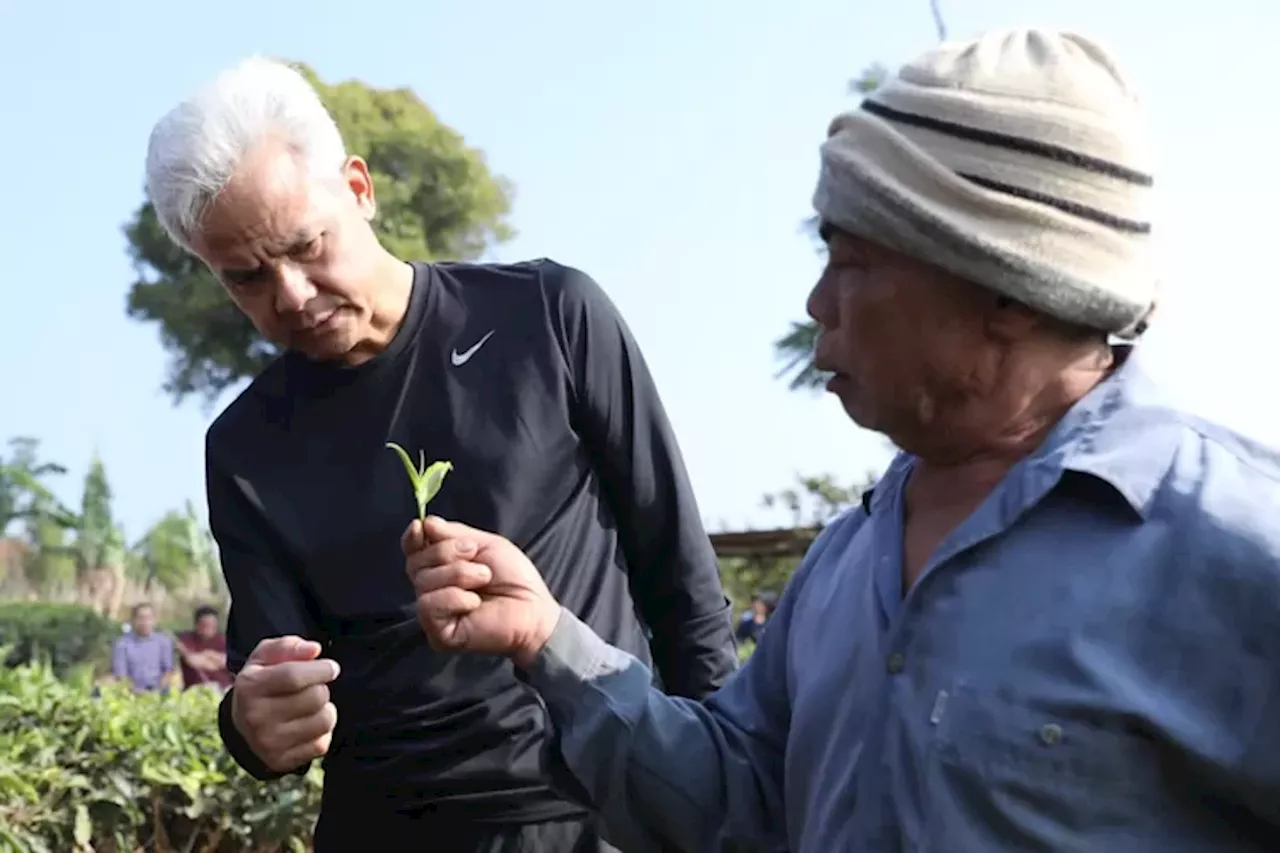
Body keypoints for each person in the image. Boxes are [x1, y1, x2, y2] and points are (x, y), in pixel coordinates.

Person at [401, 29, 1280, 852]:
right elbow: (739, 800)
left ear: (1010, 288)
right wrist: (547, 636)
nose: (818, 304)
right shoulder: (847, 562)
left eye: (853, 261)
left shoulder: (1234, 547)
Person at [142, 56, 738, 851]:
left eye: (305, 245)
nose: (288, 293)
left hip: (595, 814)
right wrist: (252, 723)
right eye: (245, 278)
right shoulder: (245, 447)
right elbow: (270, 679)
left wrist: (733, 794)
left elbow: (682, 582)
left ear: (358, 188)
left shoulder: (550, 318)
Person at [108, 602, 178, 694]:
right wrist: (137, 692)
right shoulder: (122, 644)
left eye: (148, 618)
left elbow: (168, 671)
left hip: (160, 694)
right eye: (140, 618)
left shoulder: (164, 642)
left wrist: (158, 691)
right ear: (133, 620)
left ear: (154, 620)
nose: (145, 622)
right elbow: (121, 676)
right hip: (131, 694)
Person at [175, 604, 233, 692]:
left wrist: (207, 654)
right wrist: (215, 659)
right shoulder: (186, 640)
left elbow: (227, 662)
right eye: (205, 625)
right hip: (195, 690)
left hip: (224, 688)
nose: (209, 628)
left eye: (212, 625)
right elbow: (193, 661)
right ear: (197, 624)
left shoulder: (224, 640)